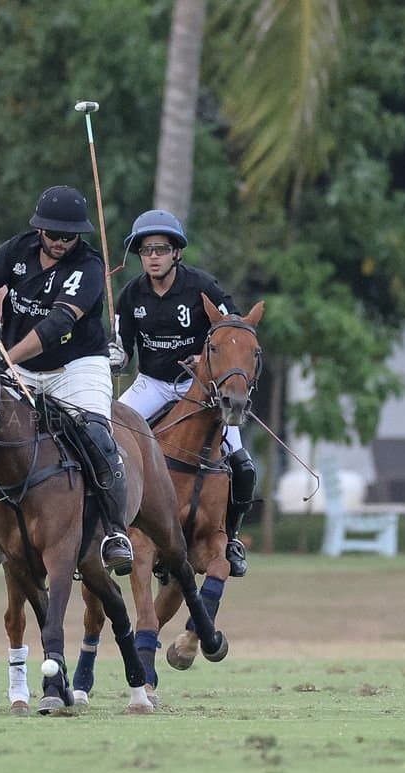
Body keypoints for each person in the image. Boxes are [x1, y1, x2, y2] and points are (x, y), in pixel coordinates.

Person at [0, 185, 134, 576]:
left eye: (68, 236)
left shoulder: (87, 267)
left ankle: (115, 533)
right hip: (16, 361)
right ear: (39, 230)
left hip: (76, 365)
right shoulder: (16, 250)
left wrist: (7, 360)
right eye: (53, 234)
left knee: (97, 437)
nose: (59, 242)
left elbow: (57, 324)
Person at [111, 209, 256, 577]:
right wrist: (113, 354)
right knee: (106, 441)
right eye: (146, 250)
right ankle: (111, 533)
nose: (153, 256)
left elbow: (234, 327)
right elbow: (122, 349)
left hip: (201, 387)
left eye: (161, 248)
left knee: (241, 462)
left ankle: (232, 537)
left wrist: (207, 354)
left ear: (176, 252)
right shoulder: (131, 294)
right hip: (153, 384)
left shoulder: (202, 286)